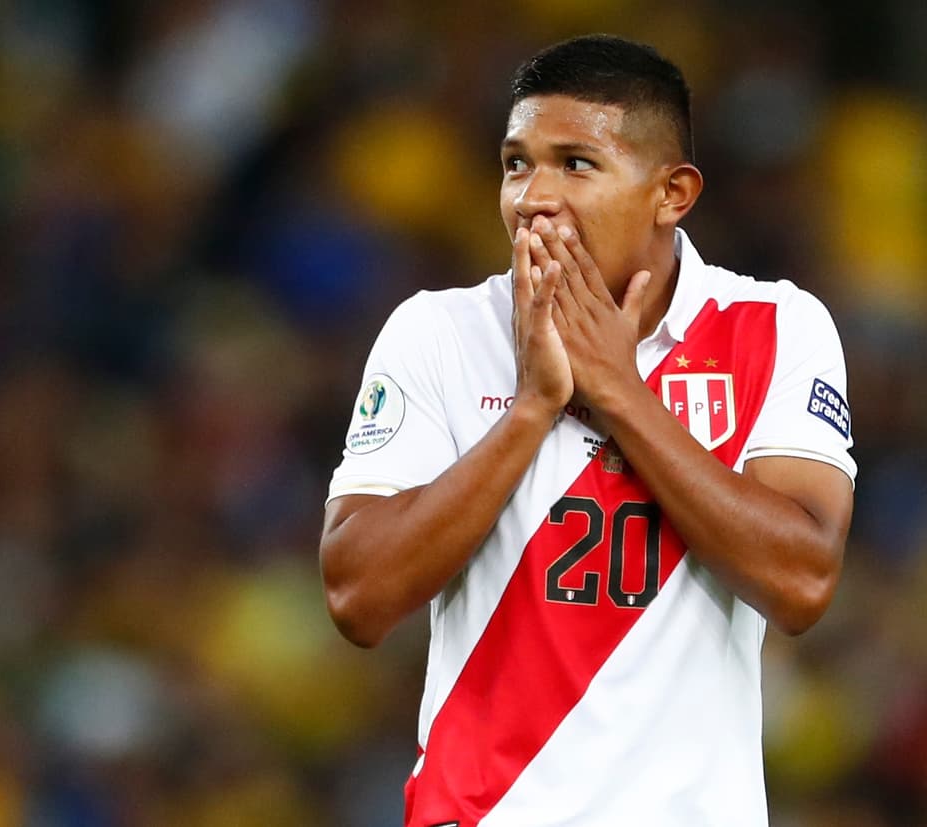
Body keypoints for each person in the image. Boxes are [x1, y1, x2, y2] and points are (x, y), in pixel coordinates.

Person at [320, 34, 856, 826]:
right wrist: (533, 410)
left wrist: (617, 390)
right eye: (515, 162)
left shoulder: (775, 328)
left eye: (576, 163)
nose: (533, 195)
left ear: (672, 192)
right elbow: (357, 595)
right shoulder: (437, 332)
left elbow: (803, 581)